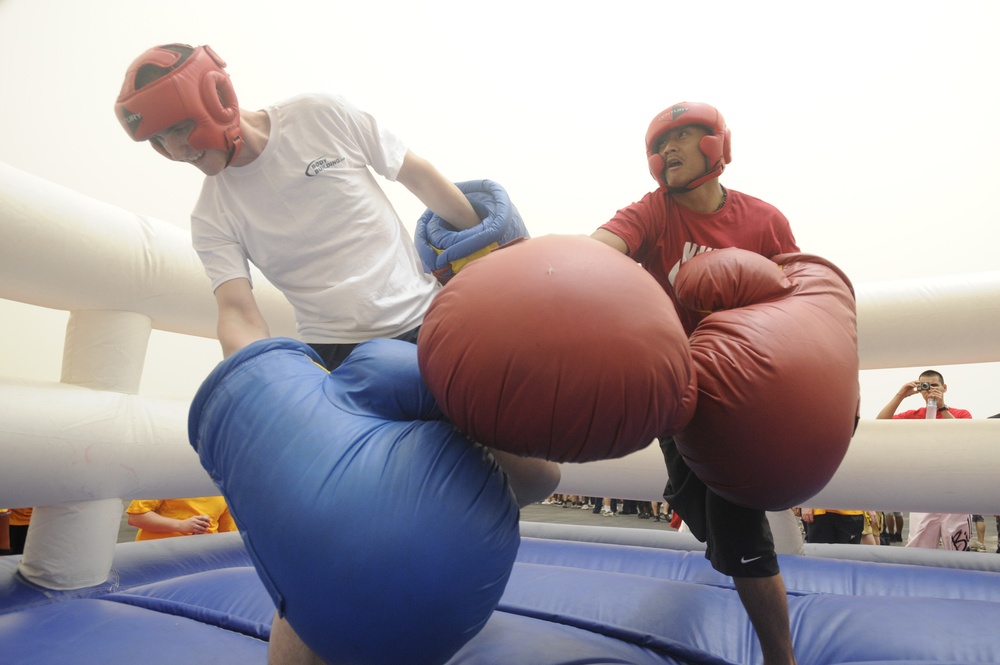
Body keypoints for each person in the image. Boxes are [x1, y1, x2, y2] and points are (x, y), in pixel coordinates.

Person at [115, 43, 559, 665]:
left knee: (539, 475)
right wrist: (264, 390)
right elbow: (238, 309)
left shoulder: (318, 115)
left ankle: (441, 541)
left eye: (180, 128)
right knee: (323, 556)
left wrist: (492, 249)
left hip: (430, 330)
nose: (178, 152)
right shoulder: (212, 213)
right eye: (161, 142)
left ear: (217, 97)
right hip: (342, 367)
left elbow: (416, 173)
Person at [591, 101, 800, 665]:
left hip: (741, 386)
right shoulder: (653, 212)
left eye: (685, 136)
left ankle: (782, 658)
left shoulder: (763, 220)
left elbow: (803, 302)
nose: (670, 150)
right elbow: (600, 247)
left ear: (716, 146)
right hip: (678, 385)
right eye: (663, 143)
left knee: (739, 531)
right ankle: (731, 545)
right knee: (697, 505)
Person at [876, 370, 973, 550]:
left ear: (945, 388)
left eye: (935, 385)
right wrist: (900, 395)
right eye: (925, 386)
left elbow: (965, 436)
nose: (930, 390)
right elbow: (880, 423)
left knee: (958, 547)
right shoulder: (913, 415)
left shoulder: (961, 414)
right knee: (919, 547)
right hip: (923, 490)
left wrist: (942, 408)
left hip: (956, 490)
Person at [125, 496, 236, 541]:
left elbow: (227, 535)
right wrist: (181, 525)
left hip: (202, 559)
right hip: (159, 557)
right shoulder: (170, 477)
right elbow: (135, 517)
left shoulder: (225, 488)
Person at [799, 508, 864, 544]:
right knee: (818, 560)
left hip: (851, 511)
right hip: (819, 512)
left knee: (850, 560)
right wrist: (806, 504)